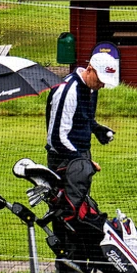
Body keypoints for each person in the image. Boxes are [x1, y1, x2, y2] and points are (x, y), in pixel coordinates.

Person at [46, 43, 117, 189]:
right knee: (67, 210)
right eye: (100, 81)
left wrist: (96, 128)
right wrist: (82, 161)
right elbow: (57, 138)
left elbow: (82, 118)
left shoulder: (92, 88)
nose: (102, 86)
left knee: (83, 208)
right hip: (62, 159)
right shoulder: (68, 91)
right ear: (89, 69)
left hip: (80, 155)